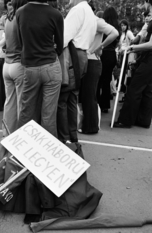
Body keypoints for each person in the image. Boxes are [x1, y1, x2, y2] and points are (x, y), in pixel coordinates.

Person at [16, 0, 64, 137]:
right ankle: (46, 153)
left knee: (26, 111)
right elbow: (60, 44)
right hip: (50, 65)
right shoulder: (56, 14)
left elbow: (21, 42)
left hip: (30, 66)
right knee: (48, 115)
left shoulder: (20, 12)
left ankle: (21, 148)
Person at [57, 0, 97, 143]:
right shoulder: (90, 12)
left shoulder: (77, 10)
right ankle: (72, 136)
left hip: (71, 56)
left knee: (62, 99)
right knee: (72, 98)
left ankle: (64, 138)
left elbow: (64, 38)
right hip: (83, 55)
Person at [80, 7, 119, 134]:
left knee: (89, 95)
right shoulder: (85, 20)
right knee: (87, 95)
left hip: (92, 61)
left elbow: (114, 33)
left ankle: (90, 127)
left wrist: (99, 46)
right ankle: (87, 125)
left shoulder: (96, 21)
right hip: (87, 60)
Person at [114, 0, 152, 129]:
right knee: (147, 90)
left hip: (149, 60)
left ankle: (126, 120)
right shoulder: (147, 24)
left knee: (134, 88)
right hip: (147, 59)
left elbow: (151, 44)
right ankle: (143, 120)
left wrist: (134, 47)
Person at [1, 0, 27, 135]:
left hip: (7, 65)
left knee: (9, 102)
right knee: (21, 104)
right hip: (18, 65)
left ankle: (7, 133)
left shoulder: (7, 19)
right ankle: (20, 136)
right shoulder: (21, 18)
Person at [96, 7, 120, 113]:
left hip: (103, 53)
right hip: (112, 55)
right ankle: (105, 105)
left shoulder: (105, 26)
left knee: (98, 80)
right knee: (107, 80)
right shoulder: (118, 27)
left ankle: (96, 103)